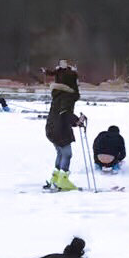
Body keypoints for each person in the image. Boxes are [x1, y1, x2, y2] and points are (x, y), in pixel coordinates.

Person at [44, 61, 82, 192]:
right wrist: (77, 121)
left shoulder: (58, 94)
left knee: (60, 153)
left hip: (51, 128)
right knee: (67, 154)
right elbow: (65, 113)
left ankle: (55, 178)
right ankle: (63, 180)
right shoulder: (67, 95)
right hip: (60, 129)